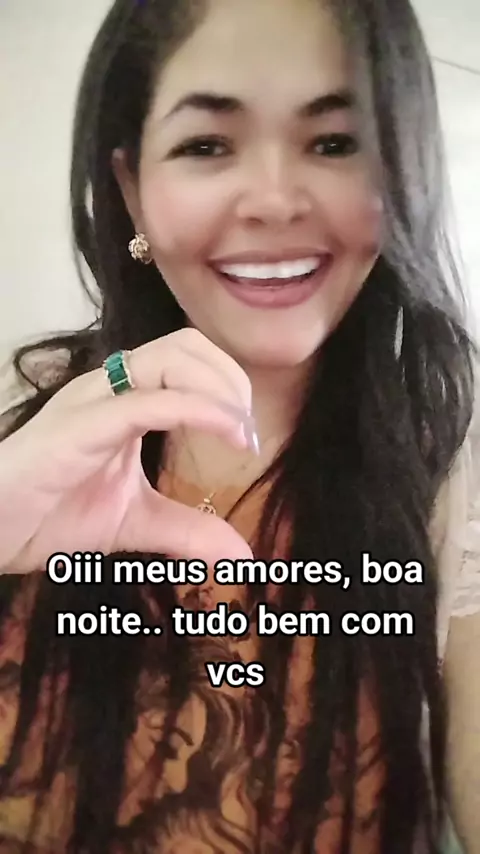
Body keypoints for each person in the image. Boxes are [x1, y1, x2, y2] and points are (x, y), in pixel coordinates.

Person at [0, 0, 479, 851]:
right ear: (131, 189)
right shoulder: (25, 411)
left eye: (336, 141)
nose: (275, 201)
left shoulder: (454, 477)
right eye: (206, 146)